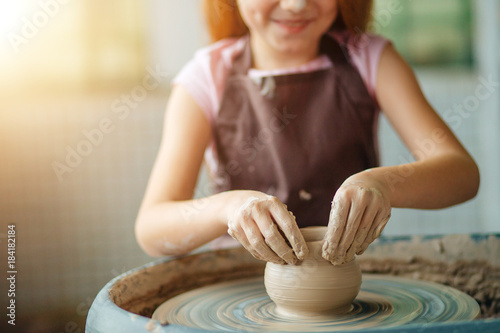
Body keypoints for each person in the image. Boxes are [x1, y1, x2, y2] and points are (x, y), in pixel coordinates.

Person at [135, 0, 479, 266]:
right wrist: (230, 207)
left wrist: (383, 185)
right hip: (240, 285)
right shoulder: (206, 77)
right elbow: (151, 230)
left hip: (352, 278)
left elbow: (461, 173)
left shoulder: (369, 58)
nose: (297, 4)